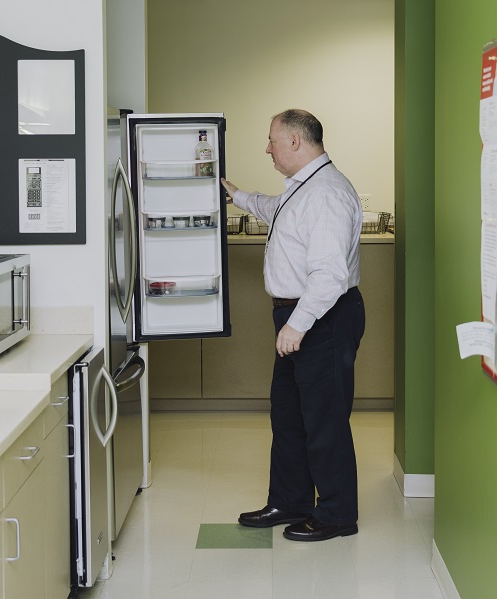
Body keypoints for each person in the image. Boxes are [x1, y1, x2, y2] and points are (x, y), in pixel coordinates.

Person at [221, 109, 365, 542]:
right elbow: (273, 209)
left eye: (271, 140)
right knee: (288, 414)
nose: (267, 148)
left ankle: (337, 514)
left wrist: (297, 325)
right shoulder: (303, 188)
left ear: (295, 142)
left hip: (321, 317)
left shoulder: (326, 194)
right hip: (300, 318)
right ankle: (290, 500)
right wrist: (237, 196)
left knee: (324, 419)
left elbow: (330, 277)